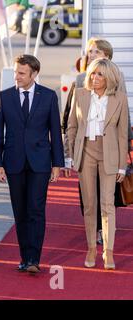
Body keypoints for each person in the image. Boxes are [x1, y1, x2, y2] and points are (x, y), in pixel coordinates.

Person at [0, 54, 64, 274]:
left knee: (36, 210)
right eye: (16, 72)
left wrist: (57, 164)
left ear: (34, 74)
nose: (17, 77)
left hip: (40, 163)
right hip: (13, 163)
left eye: (22, 73)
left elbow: (55, 133)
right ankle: (25, 257)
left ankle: (34, 259)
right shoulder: (5, 96)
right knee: (20, 212)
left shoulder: (49, 97)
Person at [62, 37, 131, 246]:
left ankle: (105, 229)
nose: (91, 55)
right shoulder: (81, 79)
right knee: (88, 195)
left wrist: (126, 147)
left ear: (107, 57)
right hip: (87, 148)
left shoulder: (118, 79)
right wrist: (68, 150)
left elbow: (123, 117)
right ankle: (96, 231)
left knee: (107, 194)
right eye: (90, 51)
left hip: (109, 147)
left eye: (97, 52)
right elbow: (70, 118)